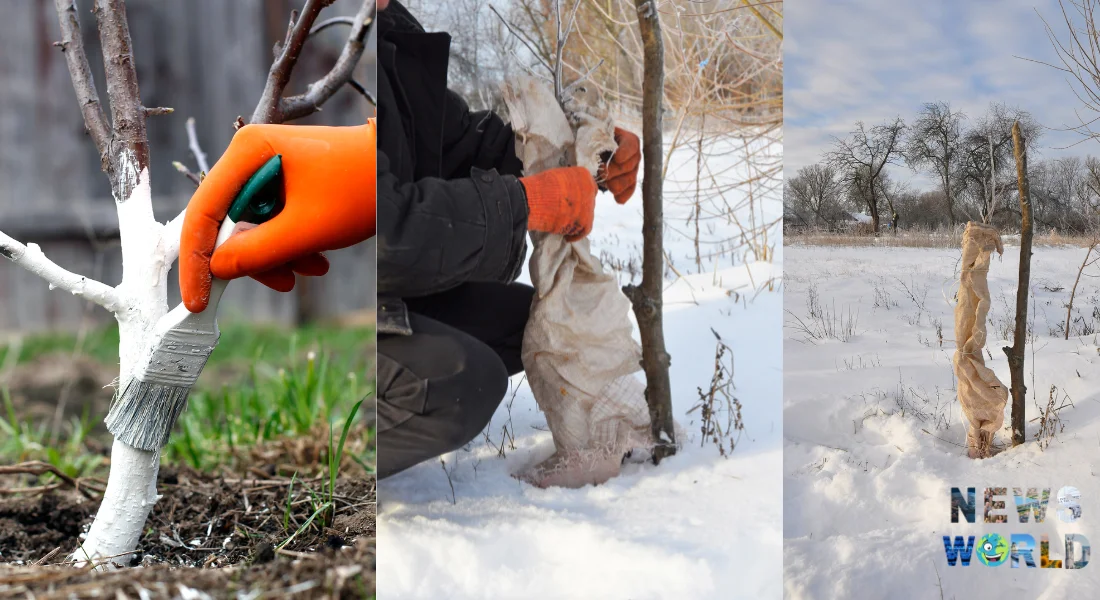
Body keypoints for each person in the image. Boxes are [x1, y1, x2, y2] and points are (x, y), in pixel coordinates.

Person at [374, 0, 641, 479]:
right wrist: (524, 203)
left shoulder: (388, 37)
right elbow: (383, 232)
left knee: (525, 321)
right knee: (464, 383)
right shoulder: (327, 54)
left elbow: (461, 147)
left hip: (380, 291)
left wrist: (585, 157)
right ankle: (317, 456)